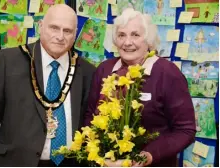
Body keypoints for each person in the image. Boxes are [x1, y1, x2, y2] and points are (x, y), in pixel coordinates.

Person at [0, 4, 96, 167]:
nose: (60, 36)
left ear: (75, 35)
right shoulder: (10, 62)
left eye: (67, 31)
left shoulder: (87, 71)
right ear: (40, 27)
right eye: (54, 28)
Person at [84, 8, 196, 167]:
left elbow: (185, 131)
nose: (127, 42)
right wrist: (93, 149)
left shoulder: (167, 73)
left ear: (148, 40)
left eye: (135, 35)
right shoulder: (104, 69)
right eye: (121, 35)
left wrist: (149, 155)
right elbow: (90, 115)